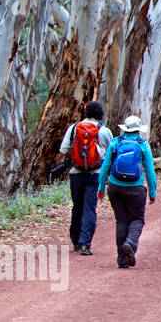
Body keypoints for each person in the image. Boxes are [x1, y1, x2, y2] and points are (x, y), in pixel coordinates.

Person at [96, 115, 157, 269]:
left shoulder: (116, 142)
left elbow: (105, 167)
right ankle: (130, 242)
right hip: (136, 188)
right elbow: (149, 170)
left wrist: (101, 188)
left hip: (115, 188)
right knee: (137, 220)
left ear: (125, 129)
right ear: (138, 130)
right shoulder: (143, 145)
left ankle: (122, 259)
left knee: (121, 220)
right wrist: (152, 192)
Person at [58, 101, 113, 255]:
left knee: (77, 207)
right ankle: (85, 245)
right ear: (100, 114)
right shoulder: (104, 131)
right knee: (90, 208)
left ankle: (75, 242)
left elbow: (63, 150)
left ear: (86, 113)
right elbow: (111, 151)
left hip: (76, 173)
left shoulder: (74, 128)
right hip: (95, 174)